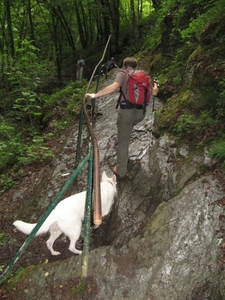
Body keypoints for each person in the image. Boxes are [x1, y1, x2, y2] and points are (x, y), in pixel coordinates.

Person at [85, 57, 159, 180]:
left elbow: (114, 87)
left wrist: (95, 95)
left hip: (127, 113)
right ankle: (125, 155)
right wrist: (156, 85)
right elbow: (154, 93)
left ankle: (121, 171)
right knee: (128, 129)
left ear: (124, 66)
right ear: (135, 66)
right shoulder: (144, 76)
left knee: (123, 142)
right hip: (141, 114)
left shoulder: (123, 74)